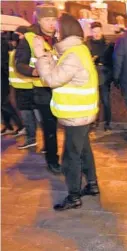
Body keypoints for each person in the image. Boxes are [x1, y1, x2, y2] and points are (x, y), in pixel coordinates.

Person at [33, 13, 100, 211]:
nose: (54, 30)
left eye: (57, 28)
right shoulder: (78, 51)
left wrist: (39, 56)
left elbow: (52, 80)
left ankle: (73, 195)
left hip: (76, 113)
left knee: (71, 156)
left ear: (65, 31)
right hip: (82, 111)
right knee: (84, 150)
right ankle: (93, 185)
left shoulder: (73, 54)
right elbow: (61, 74)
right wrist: (48, 57)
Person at [16, 4, 61, 173]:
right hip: (42, 90)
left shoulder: (59, 37)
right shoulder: (29, 38)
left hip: (60, 87)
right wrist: (35, 71)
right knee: (49, 126)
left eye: (54, 20)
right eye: (47, 20)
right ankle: (52, 160)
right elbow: (19, 64)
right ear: (39, 20)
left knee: (62, 126)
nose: (51, 23)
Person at [86, 21, 114, 132]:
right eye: (94, 31)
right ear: (91, 32)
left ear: (101, 31)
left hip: (104, 76)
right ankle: (94, 122)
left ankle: (108, 122)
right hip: (91, 76)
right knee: (93, 102)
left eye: (98, 31)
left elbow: (112, 61)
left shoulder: (108, 44)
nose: (96, 34)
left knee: (106, 100)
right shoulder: (87, 44)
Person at [2, 32, 25, 136]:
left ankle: (20, 125)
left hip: (3, 78)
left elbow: (3, 63)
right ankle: (8, 126)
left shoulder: (2, 43)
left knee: (5, 103)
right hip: (5, 77)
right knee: (3, 103)